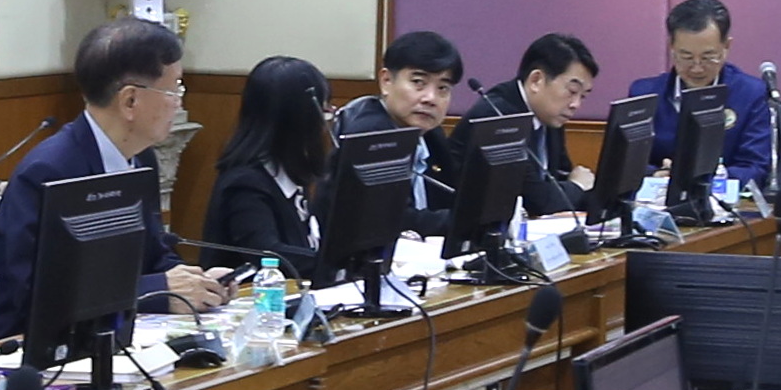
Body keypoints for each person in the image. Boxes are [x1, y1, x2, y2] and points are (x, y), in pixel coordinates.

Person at [0, 18, 231, 341]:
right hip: (25, 347)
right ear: (130, 101)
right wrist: (155, 290)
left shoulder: (142, 158)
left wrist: (197, 283)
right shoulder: (49, 171)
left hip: (113, 335)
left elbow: (154, 254)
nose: (180, 102)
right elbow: (36, 293)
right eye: (174, 89)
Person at [198, 54, 338, 273]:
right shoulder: (245, 184)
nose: (325, 123)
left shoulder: (291, 170)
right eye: (325, 110)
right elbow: (267, 254)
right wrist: (337, 263)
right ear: (300, 118)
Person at [621, 0, 778, 188]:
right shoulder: (644, 94)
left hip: (723, 199)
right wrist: (657, 174)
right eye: (686, 57)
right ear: (671, 47)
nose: (696, 68)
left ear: (726, 47)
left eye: (708, 57)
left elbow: (756, 167)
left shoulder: (750, 93)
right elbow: (626, 164)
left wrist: (707, 179)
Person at [336, 29, 471, 235]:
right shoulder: (372, 136)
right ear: (386, 81)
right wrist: (467, 221)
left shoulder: (431, 135)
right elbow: (392, 220)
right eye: (418, 82)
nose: (430, 98)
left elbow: (451, 196)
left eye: (443, 88)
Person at [474, 33, 603, 215]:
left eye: (583, 96)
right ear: (536, 80)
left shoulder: (549, 115)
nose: (576, 104)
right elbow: (536, 200)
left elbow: (561, 177)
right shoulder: (498, 116)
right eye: (572, 91)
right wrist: (578, 186)